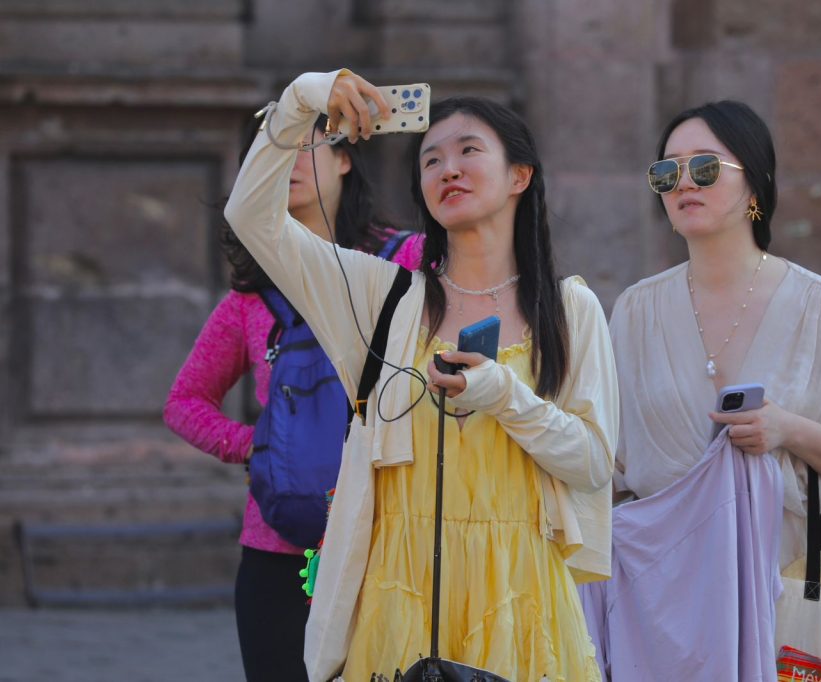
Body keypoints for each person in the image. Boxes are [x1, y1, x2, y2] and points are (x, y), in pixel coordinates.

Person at [224, 69, 618, 682]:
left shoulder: (569, 308)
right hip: (399, 594)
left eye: (468, 151)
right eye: (431, 160)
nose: (448, 169)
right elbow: (251, 217)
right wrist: (303, 97)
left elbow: (593, 462)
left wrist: (503, 395)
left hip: (521, 596)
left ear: (520, 175)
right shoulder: (381, 296)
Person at [590, 100, 821, 676]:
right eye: (667, 172)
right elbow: (611, 466)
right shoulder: (634, 309)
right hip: (654, 603)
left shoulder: (819, 304)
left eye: (705, 167)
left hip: (775, 589)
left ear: (754, 181)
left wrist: (787, 429)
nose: (683, 184)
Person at [164, 115, 423, 682]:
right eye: (272, 149)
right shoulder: (251, 298)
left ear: (345, 158)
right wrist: (258, 445)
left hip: (395, 537)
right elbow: (184, 401)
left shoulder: (407, 258)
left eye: (305, 143)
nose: (289, 159)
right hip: (280, 548)